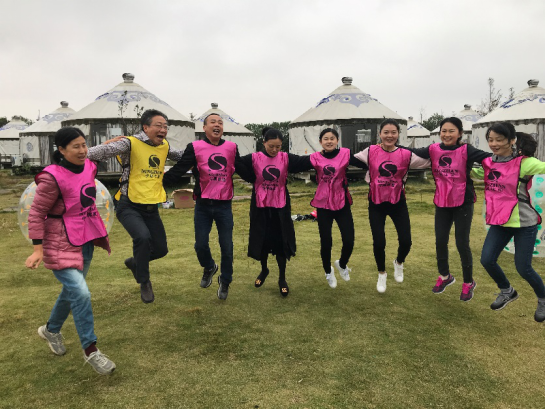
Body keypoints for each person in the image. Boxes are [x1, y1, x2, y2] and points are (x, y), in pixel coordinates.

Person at [26, 127, 116, 375]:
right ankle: (91, 350)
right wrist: (37, 249)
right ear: (61, 150)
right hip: (58, 243)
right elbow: (36, 213)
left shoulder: (89, 166)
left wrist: (109, 143)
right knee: (81, 293)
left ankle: (51, 330)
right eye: (76, 146)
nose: (82, 150)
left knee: (73, 291)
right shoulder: (52, 178)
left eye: (84, 144)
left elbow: (94, 155)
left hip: (84, 237)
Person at [87, 109, 184, 304]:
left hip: (151, 207)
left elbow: (181, 155)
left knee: (161, 250)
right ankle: (144, 281)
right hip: (128, 204)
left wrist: (202, 150)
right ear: (145, 127)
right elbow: (96, 152)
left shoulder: (164, 146)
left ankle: (135, 263)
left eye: (165, 127)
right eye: (158, 126)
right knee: (142, 237)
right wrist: (99, 146)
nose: (163, 130)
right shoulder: (130, 143)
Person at [163, 113, 245, 301]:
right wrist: (158, 182)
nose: (217, 125)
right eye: (213, 122)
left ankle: (225, 280)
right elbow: (180, 168)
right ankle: (209, 267)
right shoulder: (195, 147)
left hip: (224, 205)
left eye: (220, 123)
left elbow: (242, 168)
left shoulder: (231, 147)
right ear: (204, 127)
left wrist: (259, 178)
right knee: (200, 244)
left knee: (227, 246)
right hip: (203, 205)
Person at [411, 117, 491, 301]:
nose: (447, 134)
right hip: (442, 202)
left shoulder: (466, 150)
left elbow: (488, 157)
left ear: (460, 133)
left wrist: (513, 157)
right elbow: (411, 152)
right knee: (440, 241)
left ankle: (468, 282)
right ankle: (445, 276)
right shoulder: (433, 149)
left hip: (463, 201)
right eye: (444, 131)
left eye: (451, 131)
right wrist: (388, 147)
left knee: (462, 243)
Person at [473, 124, 545, 322]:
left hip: (524, 223)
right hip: (500, 221)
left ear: (512, 140)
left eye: (499, 139)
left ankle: (543, 299)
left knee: (523, 268)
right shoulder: (488, 163)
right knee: (487, 260)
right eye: (491, 140)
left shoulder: (525, 163)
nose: (494, 144)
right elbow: (474, 173)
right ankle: (507, 291)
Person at [354, 119, 430, 293]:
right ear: (380, 134)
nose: (389, 136)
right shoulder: (370, 151)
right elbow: (348, 159)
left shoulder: (406, 154)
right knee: (379, 242)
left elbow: (428, 161)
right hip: (376, 202)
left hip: (398, 202)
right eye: (386, 132)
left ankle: (399, 262)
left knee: (406, 241)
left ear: (398, 134)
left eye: (393, 132)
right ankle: (382, 273)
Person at [238, 128, 311, 296]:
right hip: (260, 206)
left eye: (278, 146)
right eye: (271, 146)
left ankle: (282, 278)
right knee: (262, 239)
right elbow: (236, 163)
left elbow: (305, 161)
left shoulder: (285, 158)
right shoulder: (254, 158)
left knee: (281, 241)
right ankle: (264, 270)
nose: (274, 150)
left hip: (280, 206)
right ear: (264, 143)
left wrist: (324, 154)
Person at [308, 128, 367, 289]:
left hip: (342, 203)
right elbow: (295, 163)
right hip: (323, 204)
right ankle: (328, 271)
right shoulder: (315, 157)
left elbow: (365, 162)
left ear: (337, 140)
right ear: (320, 142)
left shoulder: (345, 154)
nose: (329, 141)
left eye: (332, 138)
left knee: (349, 240)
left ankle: (342, 264)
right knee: (326, 242)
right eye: (325, 139)